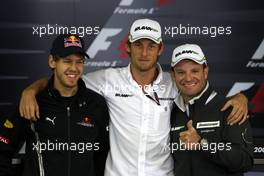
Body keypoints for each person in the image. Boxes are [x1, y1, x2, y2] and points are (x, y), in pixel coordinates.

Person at [19, 19, 249, 176]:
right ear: (128, 46)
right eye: (138, 45)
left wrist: (241, 98)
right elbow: (68, 78)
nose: (144, 52)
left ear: (160, 49)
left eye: (151, 46)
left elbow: (201, 89)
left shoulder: (174, 81)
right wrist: (31, 90)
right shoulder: (108, 79)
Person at [0, 34, 109, 176]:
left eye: (79, 62)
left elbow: (103, 156)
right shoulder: (32, 101)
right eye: (67, 61)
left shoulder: (96, 103)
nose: (74, 68)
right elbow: (3, 148)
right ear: (52, 61)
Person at [170, 44, 253, 176]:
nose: (188, 78)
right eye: (181, 72)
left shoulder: (230, 107)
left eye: (194, 71)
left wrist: (202, 143)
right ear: (173, 75)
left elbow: (244, 161)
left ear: (205, 72)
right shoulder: (171, 112)